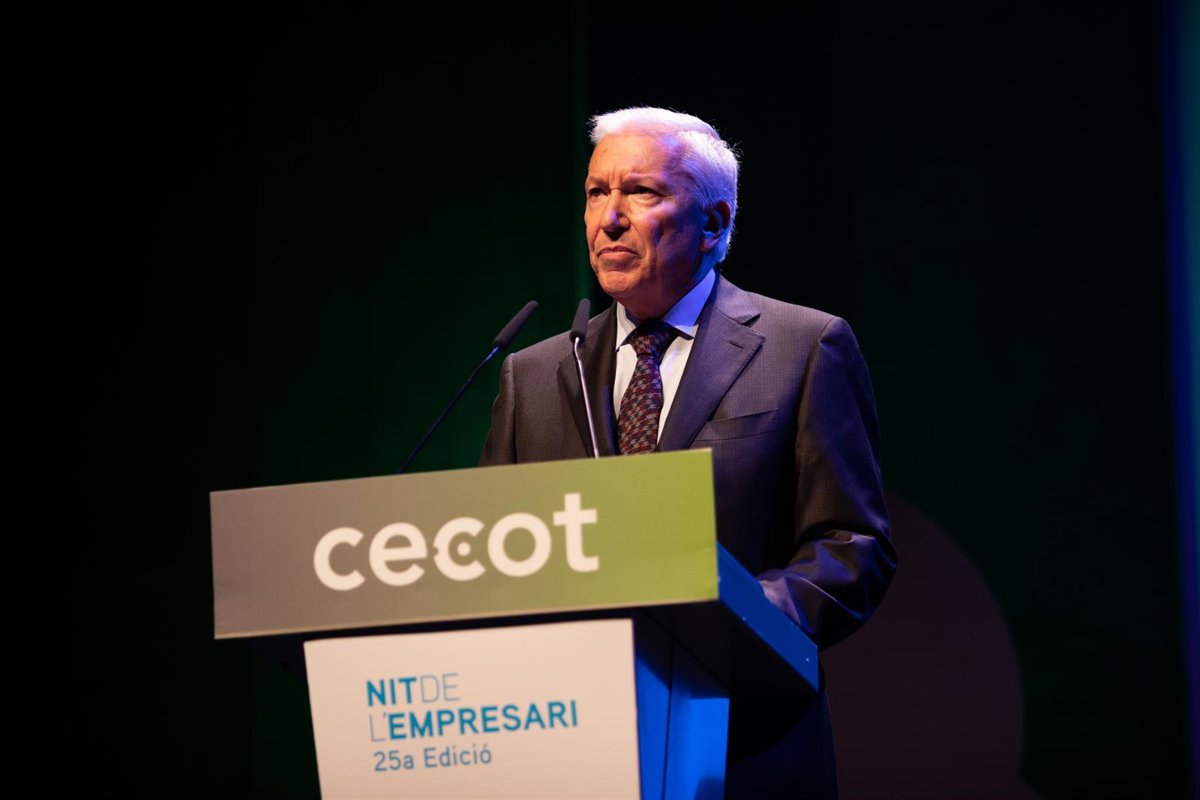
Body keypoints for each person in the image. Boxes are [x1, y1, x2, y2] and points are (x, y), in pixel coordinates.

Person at [480, 106, 896, 799]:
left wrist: (741, 619)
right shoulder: (534, 374)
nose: (610, 218)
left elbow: (853, 544)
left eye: (641, 192)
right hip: (570, 746)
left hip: (745, 747)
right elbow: (495, 554)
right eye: (596, 192)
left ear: (713, 222)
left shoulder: (803, 347)